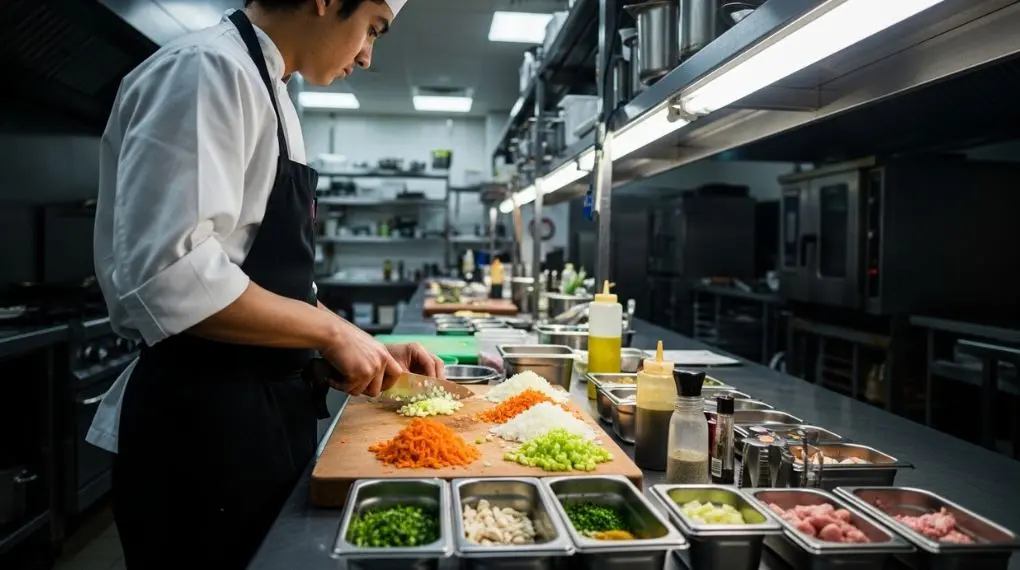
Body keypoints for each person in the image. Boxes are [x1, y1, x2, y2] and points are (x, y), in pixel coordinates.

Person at [87, 0, 435, 566]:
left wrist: (355, 346)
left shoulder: (272, 93)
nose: (368, 55)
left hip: (259, 418)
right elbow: (172, 279)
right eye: (371, 28)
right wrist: (328, 330)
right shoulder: (205, 70)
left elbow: (262, 274)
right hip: (201, 434)